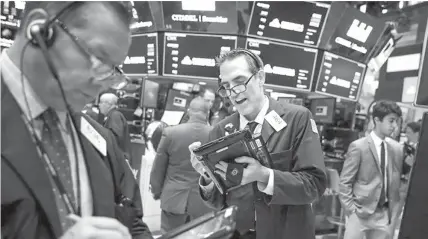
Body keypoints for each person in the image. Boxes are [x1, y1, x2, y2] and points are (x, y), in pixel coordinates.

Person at [1, 2, 151, 239]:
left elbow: (132, 221)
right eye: (98, 57)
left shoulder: (99, 139)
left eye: (113, 70)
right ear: (39, 29)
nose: (103, 82)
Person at [189, 49, 327, 239]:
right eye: (226, 86)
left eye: (239, 82)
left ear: (260, 77)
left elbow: (314, 185)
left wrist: (264, 176)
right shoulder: (221, 130)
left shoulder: (297, 118)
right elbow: (219, 202)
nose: (233, 93)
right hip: (237, 233)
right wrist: (207, 177)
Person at [339, 100, 404, 239]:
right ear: (377, 120)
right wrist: (351, 210)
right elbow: (345, 182)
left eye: (396, 122)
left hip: (384, 214)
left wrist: (394, 213)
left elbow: (395, 182)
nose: (395, 126)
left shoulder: (397, 149)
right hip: (359, 212)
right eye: (391, 121)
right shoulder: (358, 146)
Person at [150, 97, 213, 233]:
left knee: (170, 235)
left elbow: (158, 167)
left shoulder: (171, 133)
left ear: (189, 111)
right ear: (207, 113)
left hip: (173, 199)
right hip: (203, 202)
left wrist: (156, 190)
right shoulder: (215, 135)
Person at [99, 92, 131, 159]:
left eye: (101, 102)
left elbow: (114, 138)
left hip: (118, 158)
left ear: (109, 104)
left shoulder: (115, 116)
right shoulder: (112, 115)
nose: (99, 105)